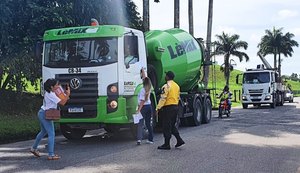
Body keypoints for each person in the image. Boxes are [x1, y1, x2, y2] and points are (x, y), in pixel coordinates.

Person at [30, 78, 70, 160]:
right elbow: (62, 102)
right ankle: (51, 155)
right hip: (46, 115)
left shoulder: (50, 92)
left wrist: (65, 94)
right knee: (51, 134)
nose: (58, 86)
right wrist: (68, 94)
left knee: (43, 132)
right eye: (56, 85)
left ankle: (34, 148)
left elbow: (62, 99)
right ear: (51, 87)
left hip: (42, 113)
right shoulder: (51, 94)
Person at [156, 71, 185, 150]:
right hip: (175, 107)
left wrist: (158, 108)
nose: (165, 77)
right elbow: (178, 97)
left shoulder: (166, 86)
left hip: (168, 108)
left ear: (168, 77)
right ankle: (179, 140)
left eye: (166, 76)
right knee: (172, 125)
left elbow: (163, 98)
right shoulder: (177, 86)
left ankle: (166, 144)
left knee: (166, 126)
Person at [136, 77, 154, 145]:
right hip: (149, 106)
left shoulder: (142, 90)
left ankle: (139, 139)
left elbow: (142, 101)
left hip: (143, 107)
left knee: (140, 123)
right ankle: (151, 139)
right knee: (148, 123)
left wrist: (138, 110)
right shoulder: (149, 89)